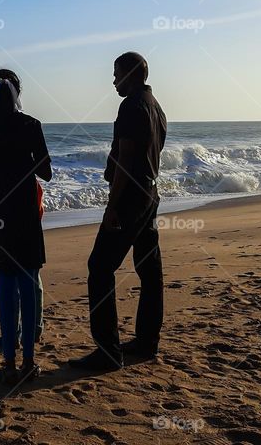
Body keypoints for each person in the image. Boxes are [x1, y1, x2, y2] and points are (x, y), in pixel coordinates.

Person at [70, 52, 167, 371]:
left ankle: (108, 352)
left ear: (132, 74)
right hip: (150, 193)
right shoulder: (156, 107)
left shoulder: (131, 106)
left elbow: (126, 159)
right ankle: (147, 341)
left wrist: (112, 206)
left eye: (116, 74)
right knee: (149, 270)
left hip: (130, 198)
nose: (113, 80)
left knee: (99, 267)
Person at [0, 69, 52, 384]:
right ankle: (29, 361)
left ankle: (8, 360)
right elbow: (45, 172)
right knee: (28, 278)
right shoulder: (31, 124)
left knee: (4, 282)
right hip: (26, 209)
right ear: (18, 95)